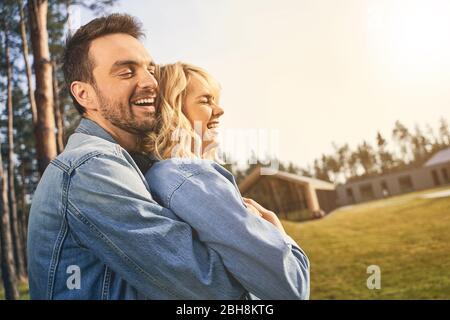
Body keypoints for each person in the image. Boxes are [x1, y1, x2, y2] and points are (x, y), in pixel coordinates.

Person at [139, 62, 310, 299]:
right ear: (174, 107)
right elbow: (291, 287)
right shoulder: (186, 176)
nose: (220, 111)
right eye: (206, 101)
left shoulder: (161, 176)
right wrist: (279, 235)